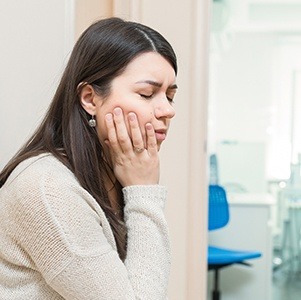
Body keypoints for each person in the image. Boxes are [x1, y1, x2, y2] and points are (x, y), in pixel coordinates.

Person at [0, 17, 177, 299]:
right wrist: (145, 192)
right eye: (147, 94)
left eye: (169, 96)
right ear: (89, 99)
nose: (167, 111)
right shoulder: (47, 188)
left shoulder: (111, 174)